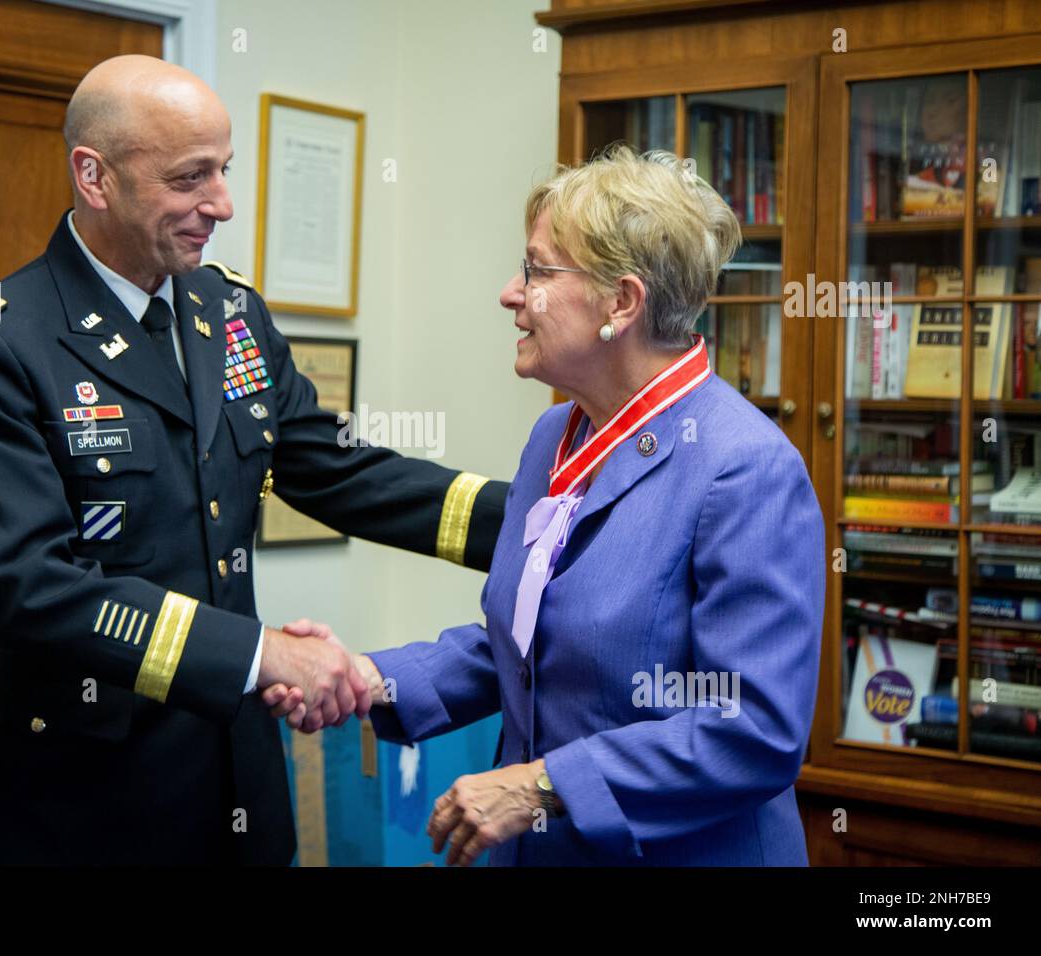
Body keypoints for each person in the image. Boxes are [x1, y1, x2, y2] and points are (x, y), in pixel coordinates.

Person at [0, 55, 507, 865]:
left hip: (234, 773)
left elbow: (337, 470)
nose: (222, 204)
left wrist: (544, 523)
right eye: (189, 177)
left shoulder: (229, 311)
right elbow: (32, 585)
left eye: (224, 170)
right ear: (94, 177)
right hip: (78, 791)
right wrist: (263, 654)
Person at [271, 145, 825, 866]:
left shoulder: (744, 468)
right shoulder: (556, 437)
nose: (510, 293)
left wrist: (542, 786)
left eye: (536, 271)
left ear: (621, 302)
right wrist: (371, 678)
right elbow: (530, 646)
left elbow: (753, 731)